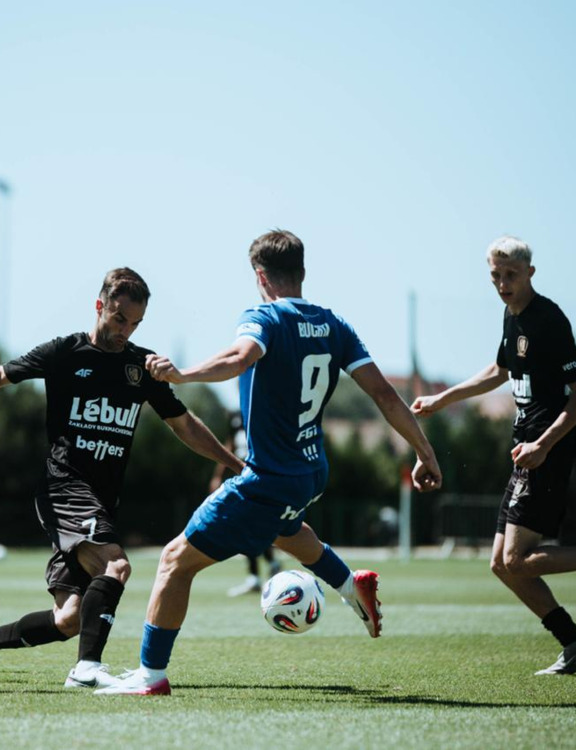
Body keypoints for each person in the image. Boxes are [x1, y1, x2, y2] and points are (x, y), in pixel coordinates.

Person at [96, 229, 442, 696]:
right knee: (285, 530)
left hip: (268, 477)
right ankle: (349, 584)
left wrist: (184, 374)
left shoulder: (264, 317)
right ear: (302, 271)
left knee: (175, 560)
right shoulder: (334, 324)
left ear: (260, 276)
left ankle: (150, 675)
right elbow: (383, 393)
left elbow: (242, 356)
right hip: (311, 473)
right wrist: (424, 451)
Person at [0, 267, 244, 689]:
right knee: (116, 565)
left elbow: (183, 423)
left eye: (135, 323)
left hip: (99, 500)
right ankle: (86, 670)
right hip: (63, 487)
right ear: (100, 306)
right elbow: (1, 374)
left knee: (68, 620)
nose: (125, 331)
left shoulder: (141, 366)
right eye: (119, 319)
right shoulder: (65, 352)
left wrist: (235, 464)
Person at [410, 235, 576, 675]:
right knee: (502, 565)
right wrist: (442, 399)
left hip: (546, 452)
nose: (503, 283)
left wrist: (544, 445)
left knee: (515, 560)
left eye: (511, 275)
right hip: (525, 451)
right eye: (496, 276)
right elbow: (499, 371)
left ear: (530, 273)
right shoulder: (512, 316)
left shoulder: (549, 319)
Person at [210, 411, 281, 596]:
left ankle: (261, 572)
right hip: (241, 474)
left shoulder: (261, 406)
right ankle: (264, 570)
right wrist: (218, 474)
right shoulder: (234, 415)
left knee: (255, 524)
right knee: (249, 525)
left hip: (259, 473)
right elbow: (230, 444)